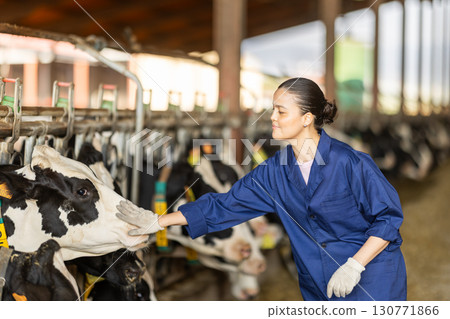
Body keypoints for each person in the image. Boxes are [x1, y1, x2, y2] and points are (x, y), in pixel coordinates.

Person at [117, 77, 407, 301]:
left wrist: (355, 265)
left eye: (281, 111)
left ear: (307, 118)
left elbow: (388, 218)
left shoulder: (351, 162)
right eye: (273, 110)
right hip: (318, 282)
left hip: (372, 277)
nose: (272, 117)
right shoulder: (274, 171)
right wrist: (158, 220)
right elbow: (225, 205)